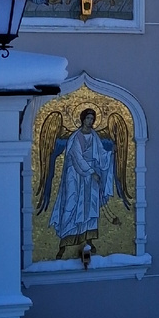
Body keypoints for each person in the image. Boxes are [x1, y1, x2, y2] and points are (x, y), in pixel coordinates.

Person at [49, 108, 116, 259]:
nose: (90, 121)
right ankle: (64, 243)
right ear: (82, 119)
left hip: (90, 177)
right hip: (76, 176)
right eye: (88, 119)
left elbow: (100, 154)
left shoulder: (94, 136)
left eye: (92, 119)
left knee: (90, 206)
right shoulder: (75, 137)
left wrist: (111, 153)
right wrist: (92, 171)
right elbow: (77, 157)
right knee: (72, 205)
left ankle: (89, 239)